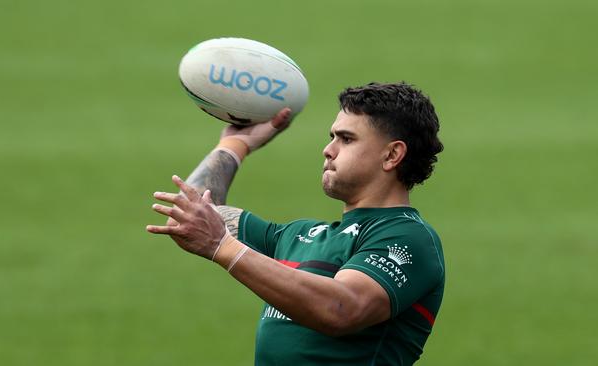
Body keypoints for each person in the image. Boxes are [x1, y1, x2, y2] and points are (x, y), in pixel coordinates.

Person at [147, 82, 445, 365]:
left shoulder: (409, 238)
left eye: (347, 139)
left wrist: (223, 248)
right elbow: (196, 211)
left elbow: (341, 308)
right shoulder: (297, 235)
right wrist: (236, 142)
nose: (328, 149)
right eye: (332, 137)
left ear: (392, 154)